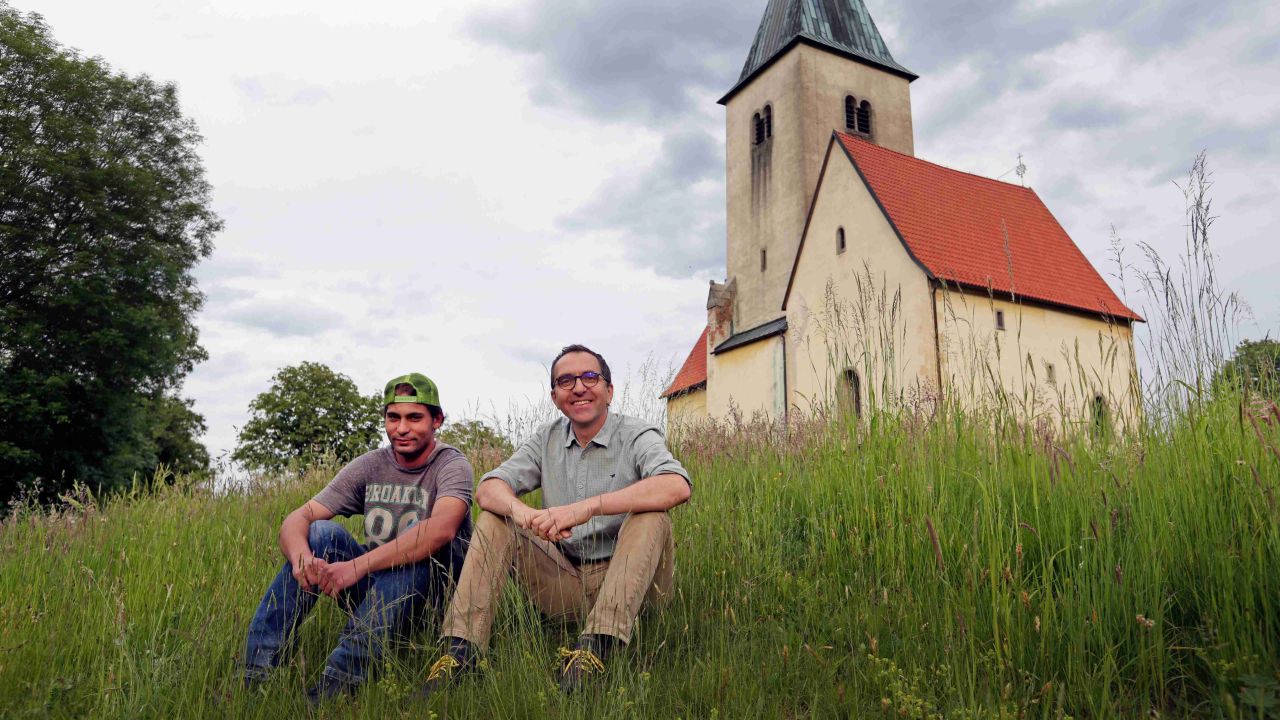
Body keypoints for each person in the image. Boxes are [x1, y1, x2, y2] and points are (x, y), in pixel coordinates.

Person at [418, 344, 692, 697]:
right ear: (554, 397)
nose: (578, 387)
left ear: (609, 391)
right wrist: (526, 514)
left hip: (631, 585)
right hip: (566, 582)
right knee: (495, 519)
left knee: (652, 516)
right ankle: (461, 653)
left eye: (590, 377)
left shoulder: (637, 434)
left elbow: (676, 484)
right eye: (566, 381)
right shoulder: (546, 439)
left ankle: (597, 649)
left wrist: (588, 508)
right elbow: (488, 488)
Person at [241, 373, 473, 703]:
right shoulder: (370, 465)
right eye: (393, 418)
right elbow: (298, 517)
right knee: (320, 533)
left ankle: (337, 685)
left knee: (415, 550)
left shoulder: (451, 464)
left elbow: (440, 530)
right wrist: (301, 558)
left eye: (414, 418)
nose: (401, 428)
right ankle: (255, 677)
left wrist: (356, 567)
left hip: (431, 598)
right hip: (376, 591)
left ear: (437, 420)